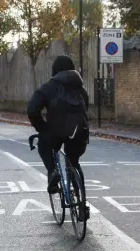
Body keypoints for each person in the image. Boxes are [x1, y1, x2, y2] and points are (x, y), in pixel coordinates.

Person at [27, 55, 89, 194]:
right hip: (79, 131)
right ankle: (80, 202)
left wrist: (42, 127)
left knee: (44, 145)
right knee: (74, 161)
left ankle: (52, 172)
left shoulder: (49, 87)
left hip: (55, 131)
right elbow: (86, 109)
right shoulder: (81, 88)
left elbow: (32, 109)